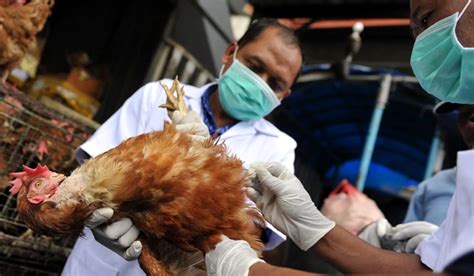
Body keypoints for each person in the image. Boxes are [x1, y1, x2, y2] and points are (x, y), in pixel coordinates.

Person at [205, 0, 474, 274]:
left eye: (427, 20)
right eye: (416, 31)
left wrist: (253, 270)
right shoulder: (163, 95)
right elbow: (424, 269)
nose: (422, 44)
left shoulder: (280, 146)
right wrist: (313, 228)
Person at [62, 18, 303, 276]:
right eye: (254, 67)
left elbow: (256, 232)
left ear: (284, 95)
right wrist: (109, 216)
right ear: (230, 53)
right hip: (98, 263)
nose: (260, 83)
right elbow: (93, 167)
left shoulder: (279, 148)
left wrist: (198, 184)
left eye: (275, 84)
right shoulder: (159, 95)